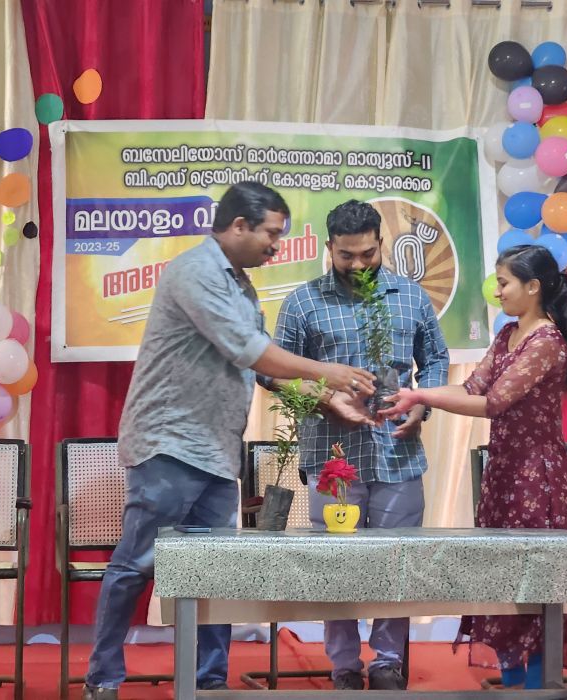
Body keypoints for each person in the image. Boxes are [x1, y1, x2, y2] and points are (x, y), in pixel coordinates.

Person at [82, 182, 375, 700]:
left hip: (218, 453)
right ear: (239, 225)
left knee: (215, 570)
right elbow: (250, 350)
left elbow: (263, 370)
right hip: (170, 444)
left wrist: (328, 398)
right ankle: (103, 678)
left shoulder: (240, 285)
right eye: (272, 234)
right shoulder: (195, 272)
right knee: (136, 564)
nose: (277, 246)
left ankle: (208, 682)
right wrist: (328, 372)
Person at [380, 244, 567, 689]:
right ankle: (514, 684)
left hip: (536, 478)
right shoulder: (508, 334)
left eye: (504, 283)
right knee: (502, 575)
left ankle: (538, 687)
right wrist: (416, 395)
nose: (497, 291)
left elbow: (494, 403)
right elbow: (472, 387)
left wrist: (422, 395)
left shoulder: (546, 341)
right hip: (503, 474)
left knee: (534, 581)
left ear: (533, 287)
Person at [264, 199, 449, 691]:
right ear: (329, 248)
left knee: (397, 562)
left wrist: (423, 403)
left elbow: (435, 359)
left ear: (380, 243)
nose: (359, 265)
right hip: (332, 458)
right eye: (346, 256)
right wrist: (324, 399)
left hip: (399, 453)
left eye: (367, 253)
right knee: (336, 566)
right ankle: (344, 666)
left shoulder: (410, 297)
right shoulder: (303, 303)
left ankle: (388, 662)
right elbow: (271, 372)